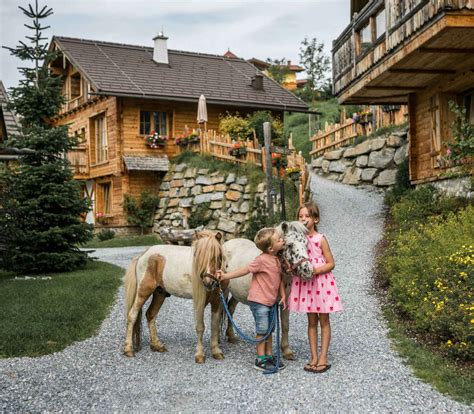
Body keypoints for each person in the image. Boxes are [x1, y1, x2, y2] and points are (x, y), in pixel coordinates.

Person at [216, 227, 287, 371]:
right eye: (279, 240)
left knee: (269, 330)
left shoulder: (277, 260)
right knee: (262, 330)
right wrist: (225, 276)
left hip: (271, 301)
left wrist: (283, 295)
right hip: (259, 301)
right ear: (271, 248)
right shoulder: (261, 260)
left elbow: (279, 279)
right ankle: (260, 359)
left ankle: (269, 355)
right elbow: (245, 270)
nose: (283, 240)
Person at [288, 202, 343, 373]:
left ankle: (323, 357)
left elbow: (331, 263)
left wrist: (315, 271)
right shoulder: (297, 240)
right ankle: (313, 356)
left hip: (321, 283)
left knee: (324, 321)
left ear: (316, 219)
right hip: (306, 285)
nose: (303, 219)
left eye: (307, 216)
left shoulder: (321, 239)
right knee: (311, 322)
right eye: (300, 216)